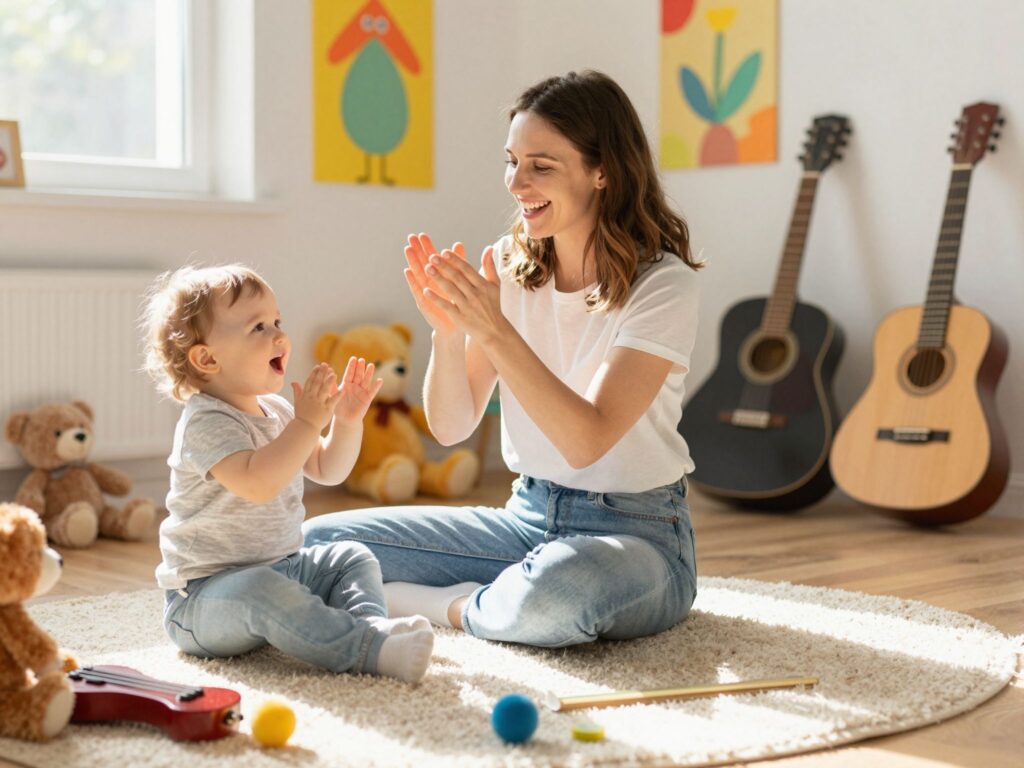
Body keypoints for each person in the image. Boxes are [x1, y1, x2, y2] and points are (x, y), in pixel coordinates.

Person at [304, 70, 702, 647]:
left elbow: (586, 439)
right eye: (511, 161)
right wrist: (447, 335)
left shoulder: (664, 285)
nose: (517, 182)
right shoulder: (510, 268)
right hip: (526, 519)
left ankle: (452, 607)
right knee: (317, 542)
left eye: (542, 165)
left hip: (637, 536)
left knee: (561, 594)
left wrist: (494, 329)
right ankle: (499, 599)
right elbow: (450, 427)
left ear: (603, 171)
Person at [141, 265, 433, 682]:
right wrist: (307, 424)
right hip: (205, 600)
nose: (279, 335)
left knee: (351, 556)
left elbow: (328, 469)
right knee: (259, 588)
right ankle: (365, 649)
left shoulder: (276, 411)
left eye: (278, 321)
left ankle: (370, 627)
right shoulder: (205, 422)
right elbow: (258, 483)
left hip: (284, 569)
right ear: (207, 358)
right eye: (258, 327)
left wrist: (347, 421)